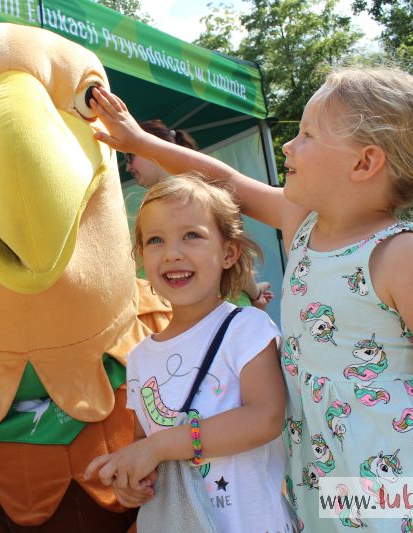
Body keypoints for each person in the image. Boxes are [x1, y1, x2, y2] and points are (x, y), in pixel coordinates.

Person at [87, 66, 413, 531]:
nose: (288, 146)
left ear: (364, 163)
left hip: (404, 469)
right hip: (323, 472)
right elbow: (225, 180)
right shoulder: (304, 225)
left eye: (307, 134)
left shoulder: (403, 255)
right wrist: (138, 141)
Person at [84, 176, 293, 531]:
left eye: (191, 235)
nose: (173, 253)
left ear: (229, 252)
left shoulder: (247, 328)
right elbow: (144, 444)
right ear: (141, 259)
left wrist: (160, 447)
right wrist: (132, 481)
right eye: (155, 240)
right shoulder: (139, 357)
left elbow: (265, 418)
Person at [128, 118, 274, 311]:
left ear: (151, 145)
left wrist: (255, 294)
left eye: (129, 156)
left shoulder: (194, 197)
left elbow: (237, 261)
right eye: (155, 240)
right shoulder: (197, 194)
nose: (128, 167)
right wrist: (255, 293)